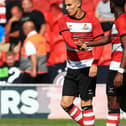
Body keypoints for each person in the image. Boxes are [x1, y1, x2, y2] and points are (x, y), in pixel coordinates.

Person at [76, 0, 126, 125]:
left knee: (113, 102)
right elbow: (107, 38)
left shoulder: (122, 20)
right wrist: (87, 44)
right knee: (120, 103)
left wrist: (120, 72)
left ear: (112, 4)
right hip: (117, 67)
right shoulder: (119, 21)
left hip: (118, 68)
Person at [58, 0, 104, 126]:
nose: (67, 8)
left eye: (70, 5)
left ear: (78, 4)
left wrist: (95, 63)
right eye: (66, 5)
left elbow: (100, 43)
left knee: (86, 102)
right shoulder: (63, 20)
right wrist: (78, 46)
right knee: (65, 103)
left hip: (87, 67)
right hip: (71, 68)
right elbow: (68, 39)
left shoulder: (92, 20)